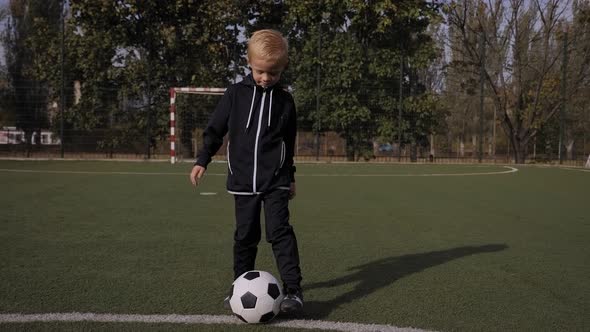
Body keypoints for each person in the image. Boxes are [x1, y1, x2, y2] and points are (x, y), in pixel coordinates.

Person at [189, 29, 303, 314]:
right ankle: (239, 285)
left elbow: (288, 143)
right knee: (245, 236)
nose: (266, 78)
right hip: (241, 181)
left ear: (282, 68)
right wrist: (203, 159)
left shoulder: (285, 101)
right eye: (261, 71)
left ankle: (293, 290)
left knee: (280, 232)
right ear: (249, 63)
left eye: (273, 73)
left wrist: (290, 177)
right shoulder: (234, 95)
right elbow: (216, 129)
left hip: (275, 180)